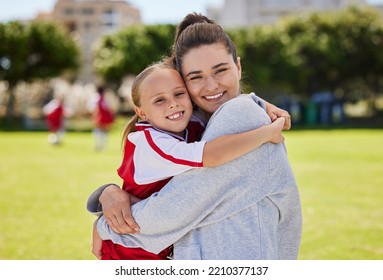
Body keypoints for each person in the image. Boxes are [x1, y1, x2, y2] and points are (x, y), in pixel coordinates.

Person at [88, 13, 301, 260]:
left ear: (239, 67)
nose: (210, 86)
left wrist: (104, 227)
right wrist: (109, 191)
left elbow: (173, 210)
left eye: (220, 70)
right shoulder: (195, 124)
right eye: (196, 77)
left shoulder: (240, 117)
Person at [88, 85, 115, 151]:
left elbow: (93, 108)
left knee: (97, 130)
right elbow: (108, 108)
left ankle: (98, 145)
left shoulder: (95, 97)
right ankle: (103, 146)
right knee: (104, 131)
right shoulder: (104, 98)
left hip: (98, 116)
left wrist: (94, 116)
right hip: (105, 117)